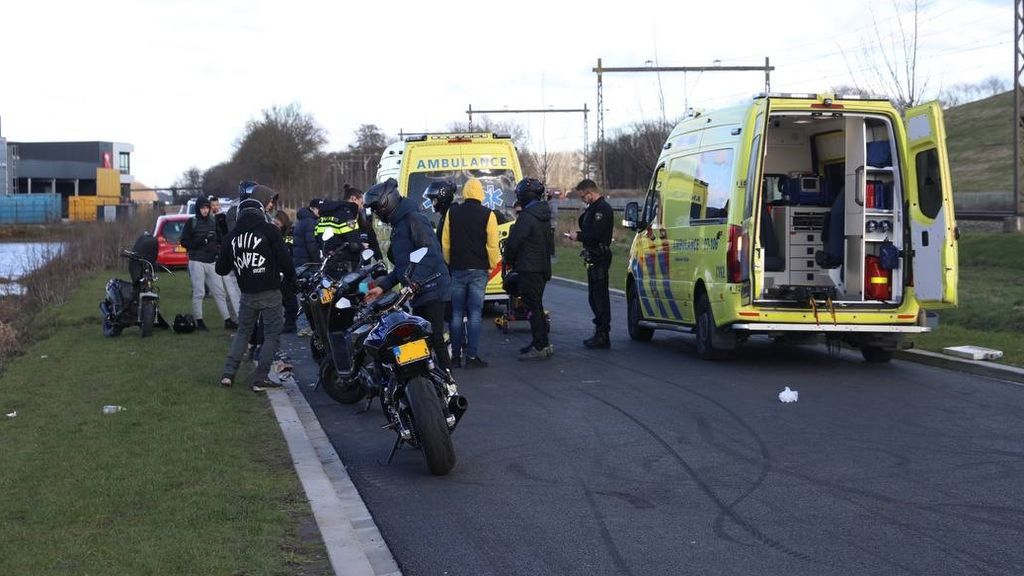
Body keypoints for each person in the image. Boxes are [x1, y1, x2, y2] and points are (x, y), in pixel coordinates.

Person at [363, 178, 452, 371]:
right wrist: (382, 287)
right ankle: (424, 380)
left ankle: (449, 383)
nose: (377, 214)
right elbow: (404, 266)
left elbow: (429, 252)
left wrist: (414, 283)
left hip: (433, 287)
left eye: (378, 209)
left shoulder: (414, 219)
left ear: (388, 202)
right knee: (418, 338)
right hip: (419, 290)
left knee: (434, 337)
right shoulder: (399, 224)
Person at [216, 185, 296, 391]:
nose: (272, 206)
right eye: (269, 202)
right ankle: (260, 378)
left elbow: (221, 269)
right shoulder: (270, 230)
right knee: (272, 335)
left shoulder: (232, 235)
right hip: (270, 291)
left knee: (243, 332)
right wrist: (291, 282)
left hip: (247, 294)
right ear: (261, 207)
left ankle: (228, 373)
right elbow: (286, 261)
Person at [442, 178, 500, 368]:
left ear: (465, 192)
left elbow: (446, 243)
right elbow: (492, 244)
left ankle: (456, 356)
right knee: (475, 313)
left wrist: (451, 262)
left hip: (457, 268)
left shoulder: (453, 212)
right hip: (478, 270)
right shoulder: (488, 214)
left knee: (456, 313)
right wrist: (491, 265)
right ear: (481, 194)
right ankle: (472, 356)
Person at [503, 178, 554, 360]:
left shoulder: (527, 217)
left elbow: (514, 242)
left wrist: (508, 259)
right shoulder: (543, 215)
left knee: (531, 307)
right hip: (541, 267)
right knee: (537, 305)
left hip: (528, 267)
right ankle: (541, 342)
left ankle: (539, 346)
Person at [565, 179, 613, 349]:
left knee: (599, 296)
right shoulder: (593, 208)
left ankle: (602, 334)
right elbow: (586, 225)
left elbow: (596, 234)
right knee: (594, 296)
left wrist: (578, 237)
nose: (582, 200)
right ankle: (599, 331)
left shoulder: (602, 209)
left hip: (599, 256)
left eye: (583, 196)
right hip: (593, 256)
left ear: (590, 193)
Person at [180, 196, 232, 331]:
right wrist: (202, 241)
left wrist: (218, 248)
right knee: (199, 292)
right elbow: (184, 242)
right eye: (203, 208)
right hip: (196, 261)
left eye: (207, 208)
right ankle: (199, 320)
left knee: (220, 292)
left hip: (211, 261)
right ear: (198, 208)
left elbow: (220, 238)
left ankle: (227, 320)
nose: (205, 210)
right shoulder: (191, 222)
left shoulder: (213, 221)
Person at [210, 195, 241, 328]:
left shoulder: (223, 218)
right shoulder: (211, 220)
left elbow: (225, 236)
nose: (216, 207)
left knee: (232, 287)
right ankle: (233, 317)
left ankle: (238, 317)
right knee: (225, 291)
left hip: (224, 255)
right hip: (214, 257)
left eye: (217, 205)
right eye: (213, 205)